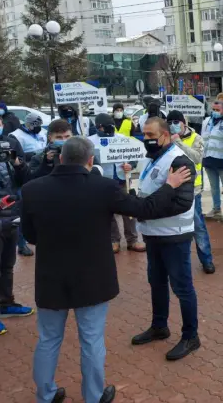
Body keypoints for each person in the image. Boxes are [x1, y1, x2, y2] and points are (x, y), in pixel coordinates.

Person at [21, 136, 193, 403]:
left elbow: (30, 235)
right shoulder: (103, 187)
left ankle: (46, 395)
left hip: (50, 278)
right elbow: (144, 208)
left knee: (48, 340)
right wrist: (170, 186)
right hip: (93, 278)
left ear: (61, 158)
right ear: (90, 161)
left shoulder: (32, 189)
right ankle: (94, 395)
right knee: (91, 341)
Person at [132, 118, 201, 361]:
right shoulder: (152, 159)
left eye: (150, 134)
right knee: (157, 282)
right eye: (143, 134)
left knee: (182, 288)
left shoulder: (179, 162)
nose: (146, 139)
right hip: (153, 235)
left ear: (165, 135)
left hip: (175, 237)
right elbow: (149, 191)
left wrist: (146, 209)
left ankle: (191, 336)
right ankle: (159, 326)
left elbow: (182, 202)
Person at [0, 128, 33, 336]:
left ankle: (7, 302)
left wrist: (17, 163)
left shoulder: (4, 159)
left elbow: (24, 181)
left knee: (7, 265)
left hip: (11, 217)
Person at [88, 114, 145, 254]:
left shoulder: (123, 140)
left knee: (129, 210)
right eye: (102, 127)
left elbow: (134, 156)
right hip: (103, 181)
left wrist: (130, 165)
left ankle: (132, 239)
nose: (106, 129)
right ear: (97, 127)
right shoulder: (89, 142)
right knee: (109, 212)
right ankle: (114, 240)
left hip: (122, 179)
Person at [168, 110, 215, 274]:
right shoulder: (166, 139)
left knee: (198, 226)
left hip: (192, 191)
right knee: (176, 228)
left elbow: (197, 158)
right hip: (173, 189)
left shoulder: (196, 139)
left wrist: (178, 142)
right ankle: (179, 264)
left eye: (176, 122)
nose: (173, 125)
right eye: (170, 122)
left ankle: (207, 260)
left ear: (184, 123)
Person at [0, 114, 31, 256]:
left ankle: (21, 243)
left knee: (17, 217)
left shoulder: (11, 142)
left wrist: (16, 161)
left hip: (11, 185)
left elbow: (23, 167)